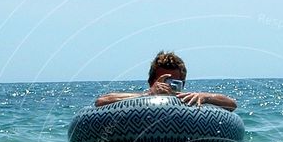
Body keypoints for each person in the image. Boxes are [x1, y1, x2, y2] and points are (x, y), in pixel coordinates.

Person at [95, 51, 237, 111]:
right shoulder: (141, 98)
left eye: (175, 82)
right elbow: (101, 101)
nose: (169, 86)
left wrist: (205, 97)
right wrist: (148, 95)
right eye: (164, 81)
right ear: (151, 82)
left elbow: (232, 104)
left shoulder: (189, 100)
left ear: (183, 84)